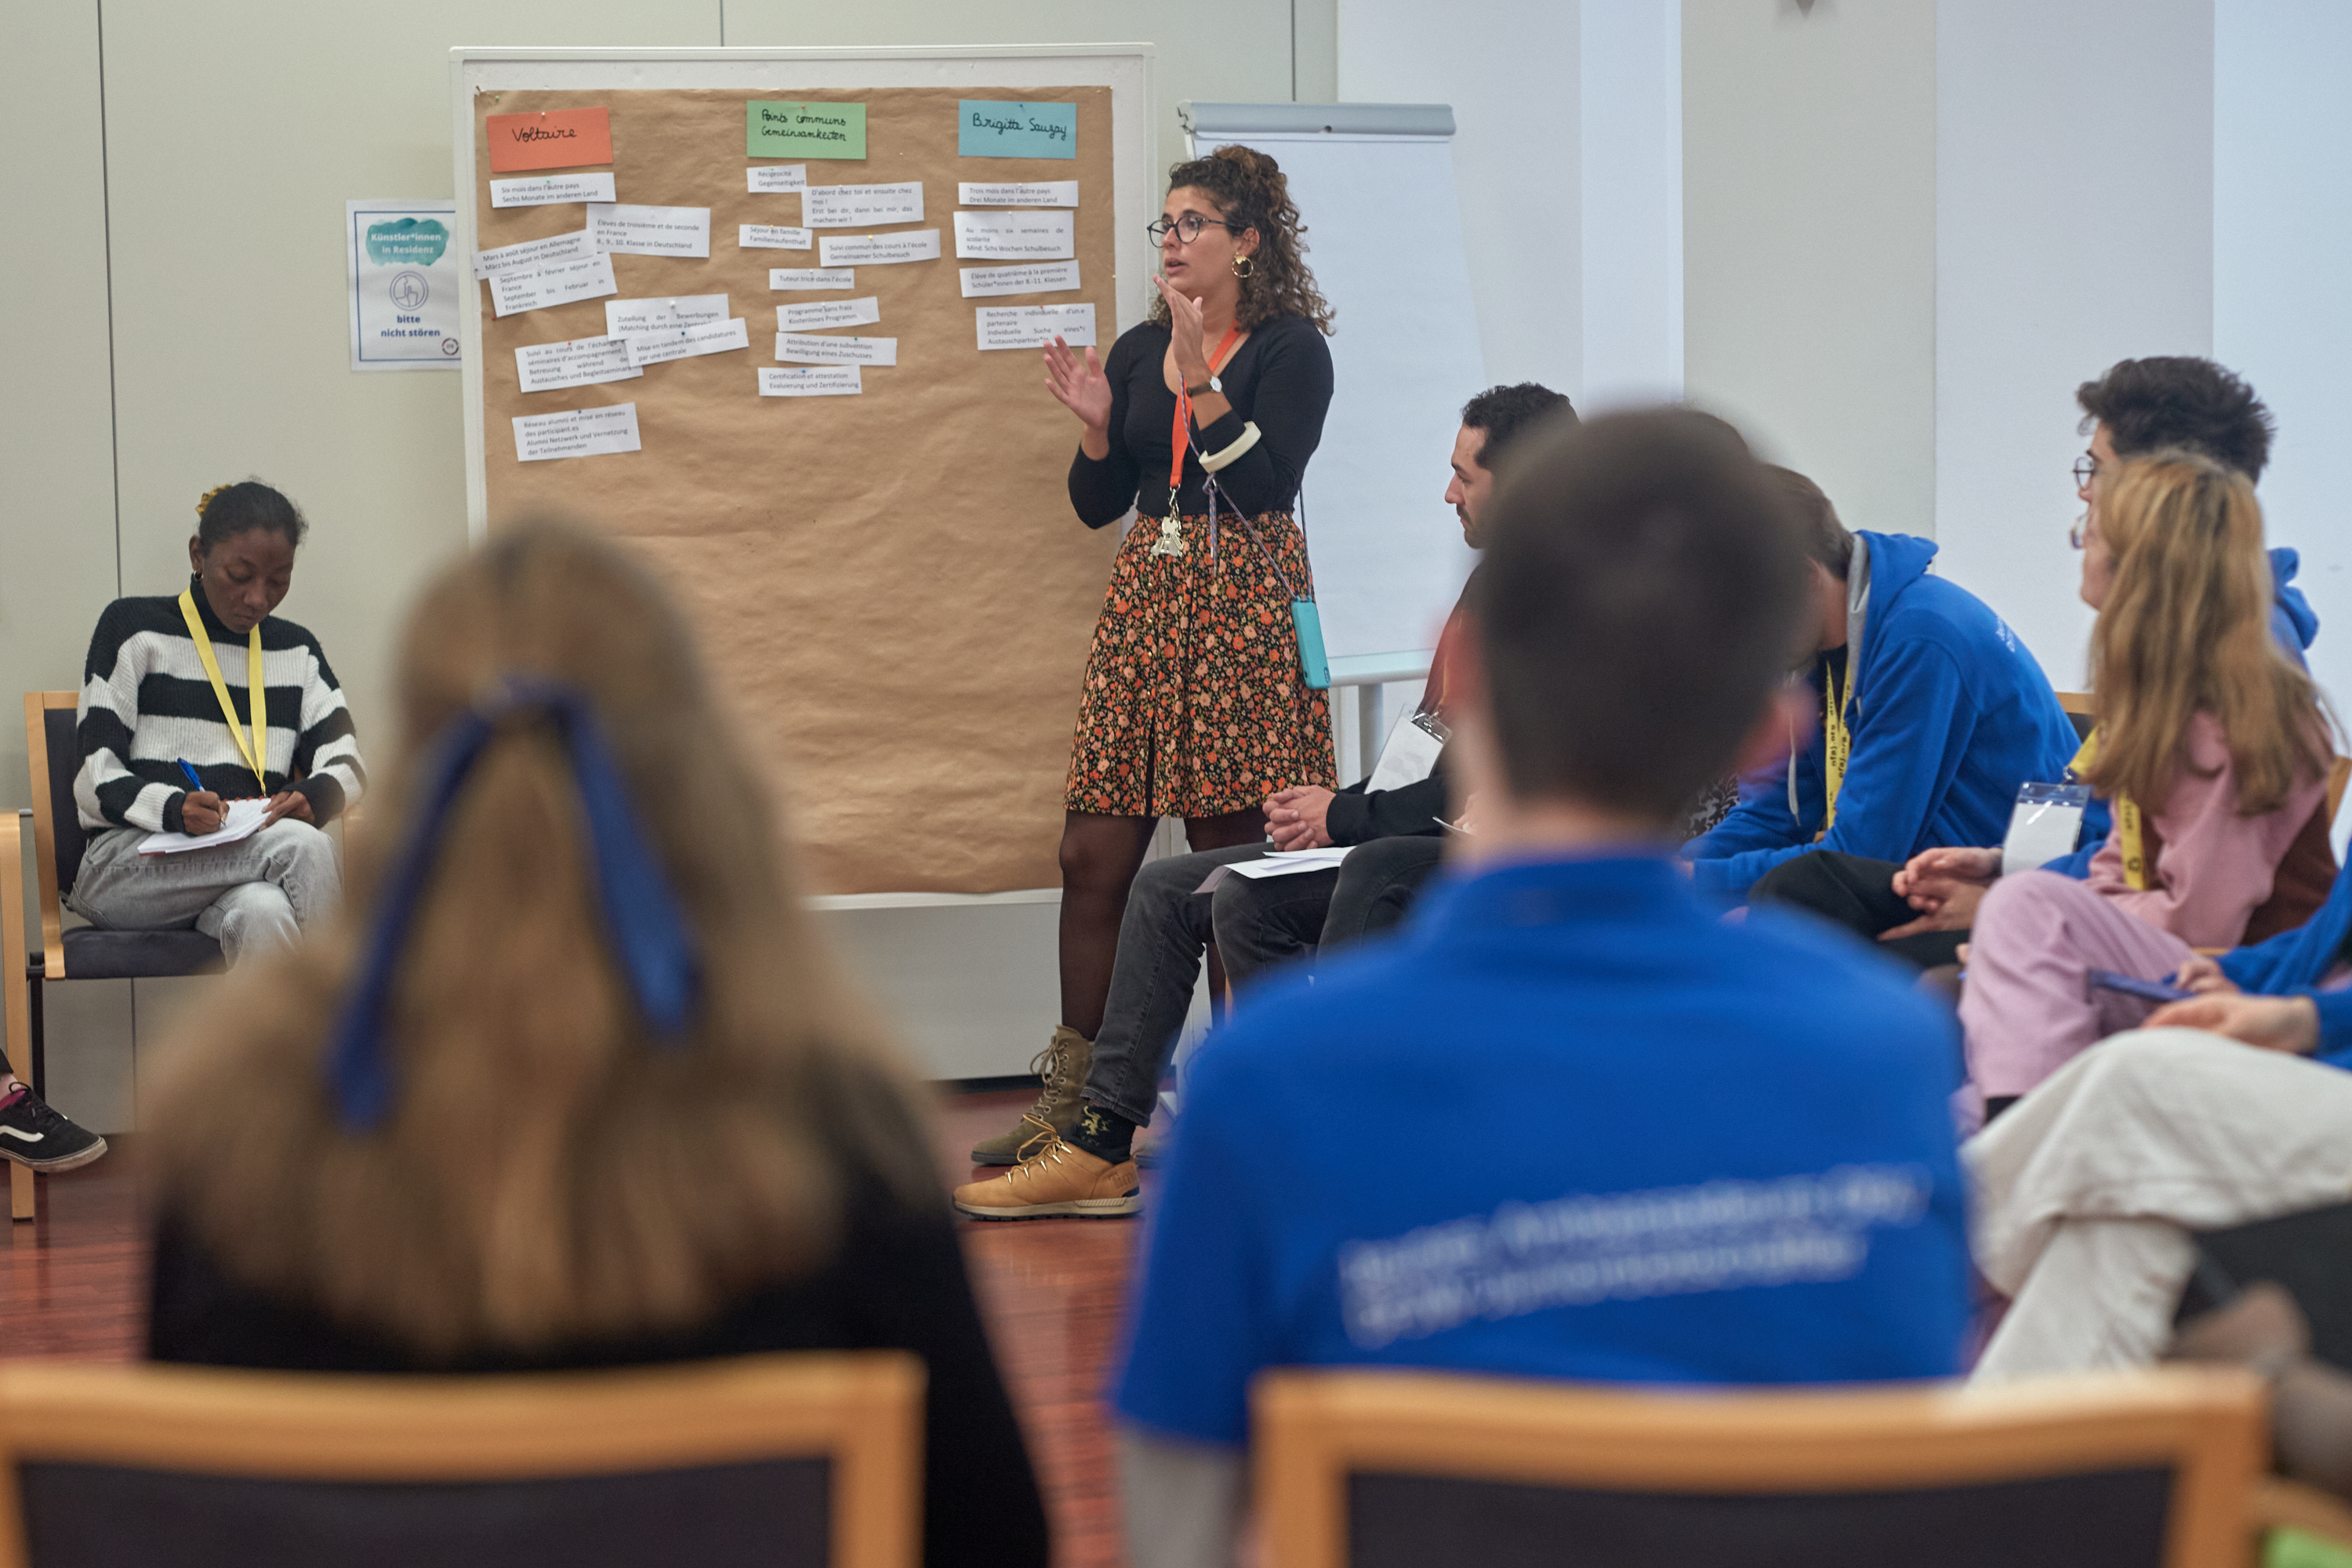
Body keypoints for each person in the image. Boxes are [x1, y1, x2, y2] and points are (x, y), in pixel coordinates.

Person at [1111, 411, 1974, 1568]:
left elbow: (1180, 1532)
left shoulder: (1268, 1084)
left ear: (1459, 664)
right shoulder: (1890, 1055)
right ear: (1768, 736)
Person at [139, 527, 1049, 1568]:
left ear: (409, 782)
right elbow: (993, 1539)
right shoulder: (838, 1138)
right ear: (698, 780)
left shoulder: (235, 1140)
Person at [959, 383, 1570, 1191]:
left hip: (1465, 852)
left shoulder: (1558, 597)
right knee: (1172, 887)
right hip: (1405, 826)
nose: (1447, 492)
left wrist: (1345, 815)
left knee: (1292, 888)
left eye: (1465, 475)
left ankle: (1324, 1138)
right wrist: (1339, 804)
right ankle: (1104, 1143)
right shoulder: (1494, 584)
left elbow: (1480, 781)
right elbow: (1432, 747)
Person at [1000, 144, 1337, 1164]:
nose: (1174, 242)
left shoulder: (1291, 350)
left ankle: (1241, 1097)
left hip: (1245, 605)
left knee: (1226, 862)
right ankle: (1078, 1097)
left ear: (1247, 241)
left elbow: (1265, 484)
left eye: (1193, 224)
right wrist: (1101, 431)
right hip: (1148, 600)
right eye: (1167, 226)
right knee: (1090, 852)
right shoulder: (1142, 348)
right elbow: (1099, 502)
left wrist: (1205, 379)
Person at [1863, 355, 2321, 949]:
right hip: (2107, 920)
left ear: (2156, 493)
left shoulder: (2231, 673)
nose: (2083, 491)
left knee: (1862, 939)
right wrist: (2008, 873)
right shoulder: (2172, 653)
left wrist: (2018, 909)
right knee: (1825, 899)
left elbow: (2196, 914)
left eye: (2097, 471)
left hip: (2190, 966)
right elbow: (2116, 852)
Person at [0, 481, 367, 1178]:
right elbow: (93, 773)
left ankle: (277, 1143)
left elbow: (348, 762)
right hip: (126, 869)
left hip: (240, 874)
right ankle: (356, 1075)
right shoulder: (134, 629)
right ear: (198, 554)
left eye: (279, 582)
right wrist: (171, 808)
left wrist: (314, 795)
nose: (259, 599)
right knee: (299, 847)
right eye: (240, 575)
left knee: (264, 912)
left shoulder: (296, 650)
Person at [1956, 452, 2335, 1119]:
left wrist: (2070, 925)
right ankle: (2016, 1132)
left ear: (2138, 567)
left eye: (2090, 532)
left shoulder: (2234, 717)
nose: (2080, 544)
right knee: (1952, 1100)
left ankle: (2031, 1130)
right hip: (2165, 952)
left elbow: (2200, 918)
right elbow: (2116, 863)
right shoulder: (2158, 699)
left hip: (2230, 972)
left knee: (2024, 910)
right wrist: (2065, 907)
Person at [1682, 469, 2079, 965]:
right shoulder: (1817, 651)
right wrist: (1672, 868)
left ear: (1805, 577)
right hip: (1911, 877)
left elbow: (1859, 852)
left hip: (2002, 894)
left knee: (1749, 932)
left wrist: (1702, 881)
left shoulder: (1921, 637)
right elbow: (1780, 814)